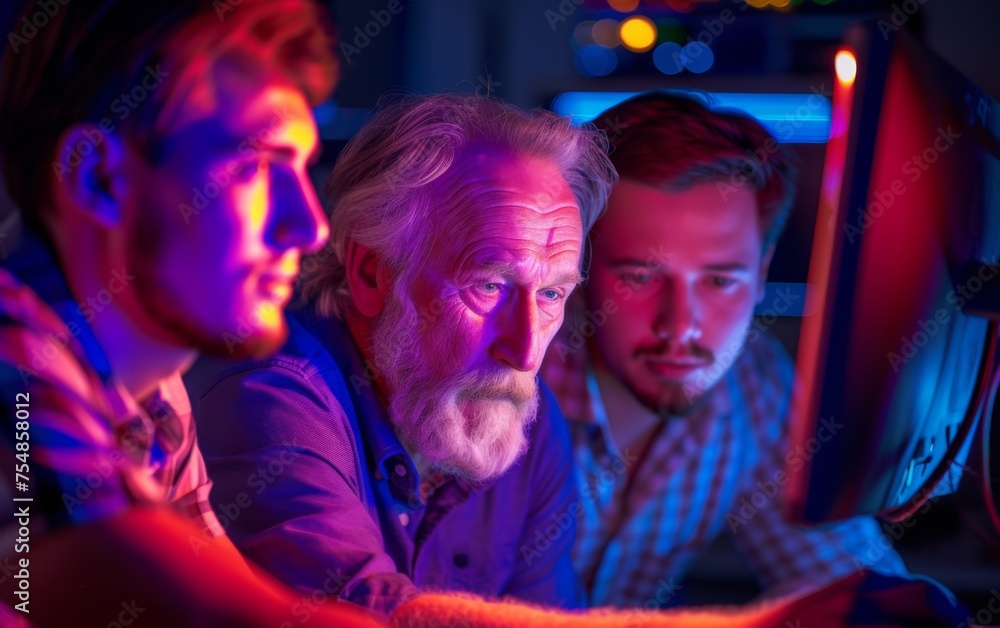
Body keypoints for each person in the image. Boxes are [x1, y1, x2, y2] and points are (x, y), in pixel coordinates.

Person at [0, 1, 378, 625]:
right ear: (97, 177)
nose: (310, 226)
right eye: (258, 165)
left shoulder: (155, 395)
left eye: (304, 170)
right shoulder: (16, 362)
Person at [540, 91, 965, 614]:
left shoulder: (753, 381)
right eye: (640, 276)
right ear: (580, 267)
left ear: (762, 273)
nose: (681, 326)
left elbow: (848, 584)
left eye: (720, 280)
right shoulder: (510, 382)